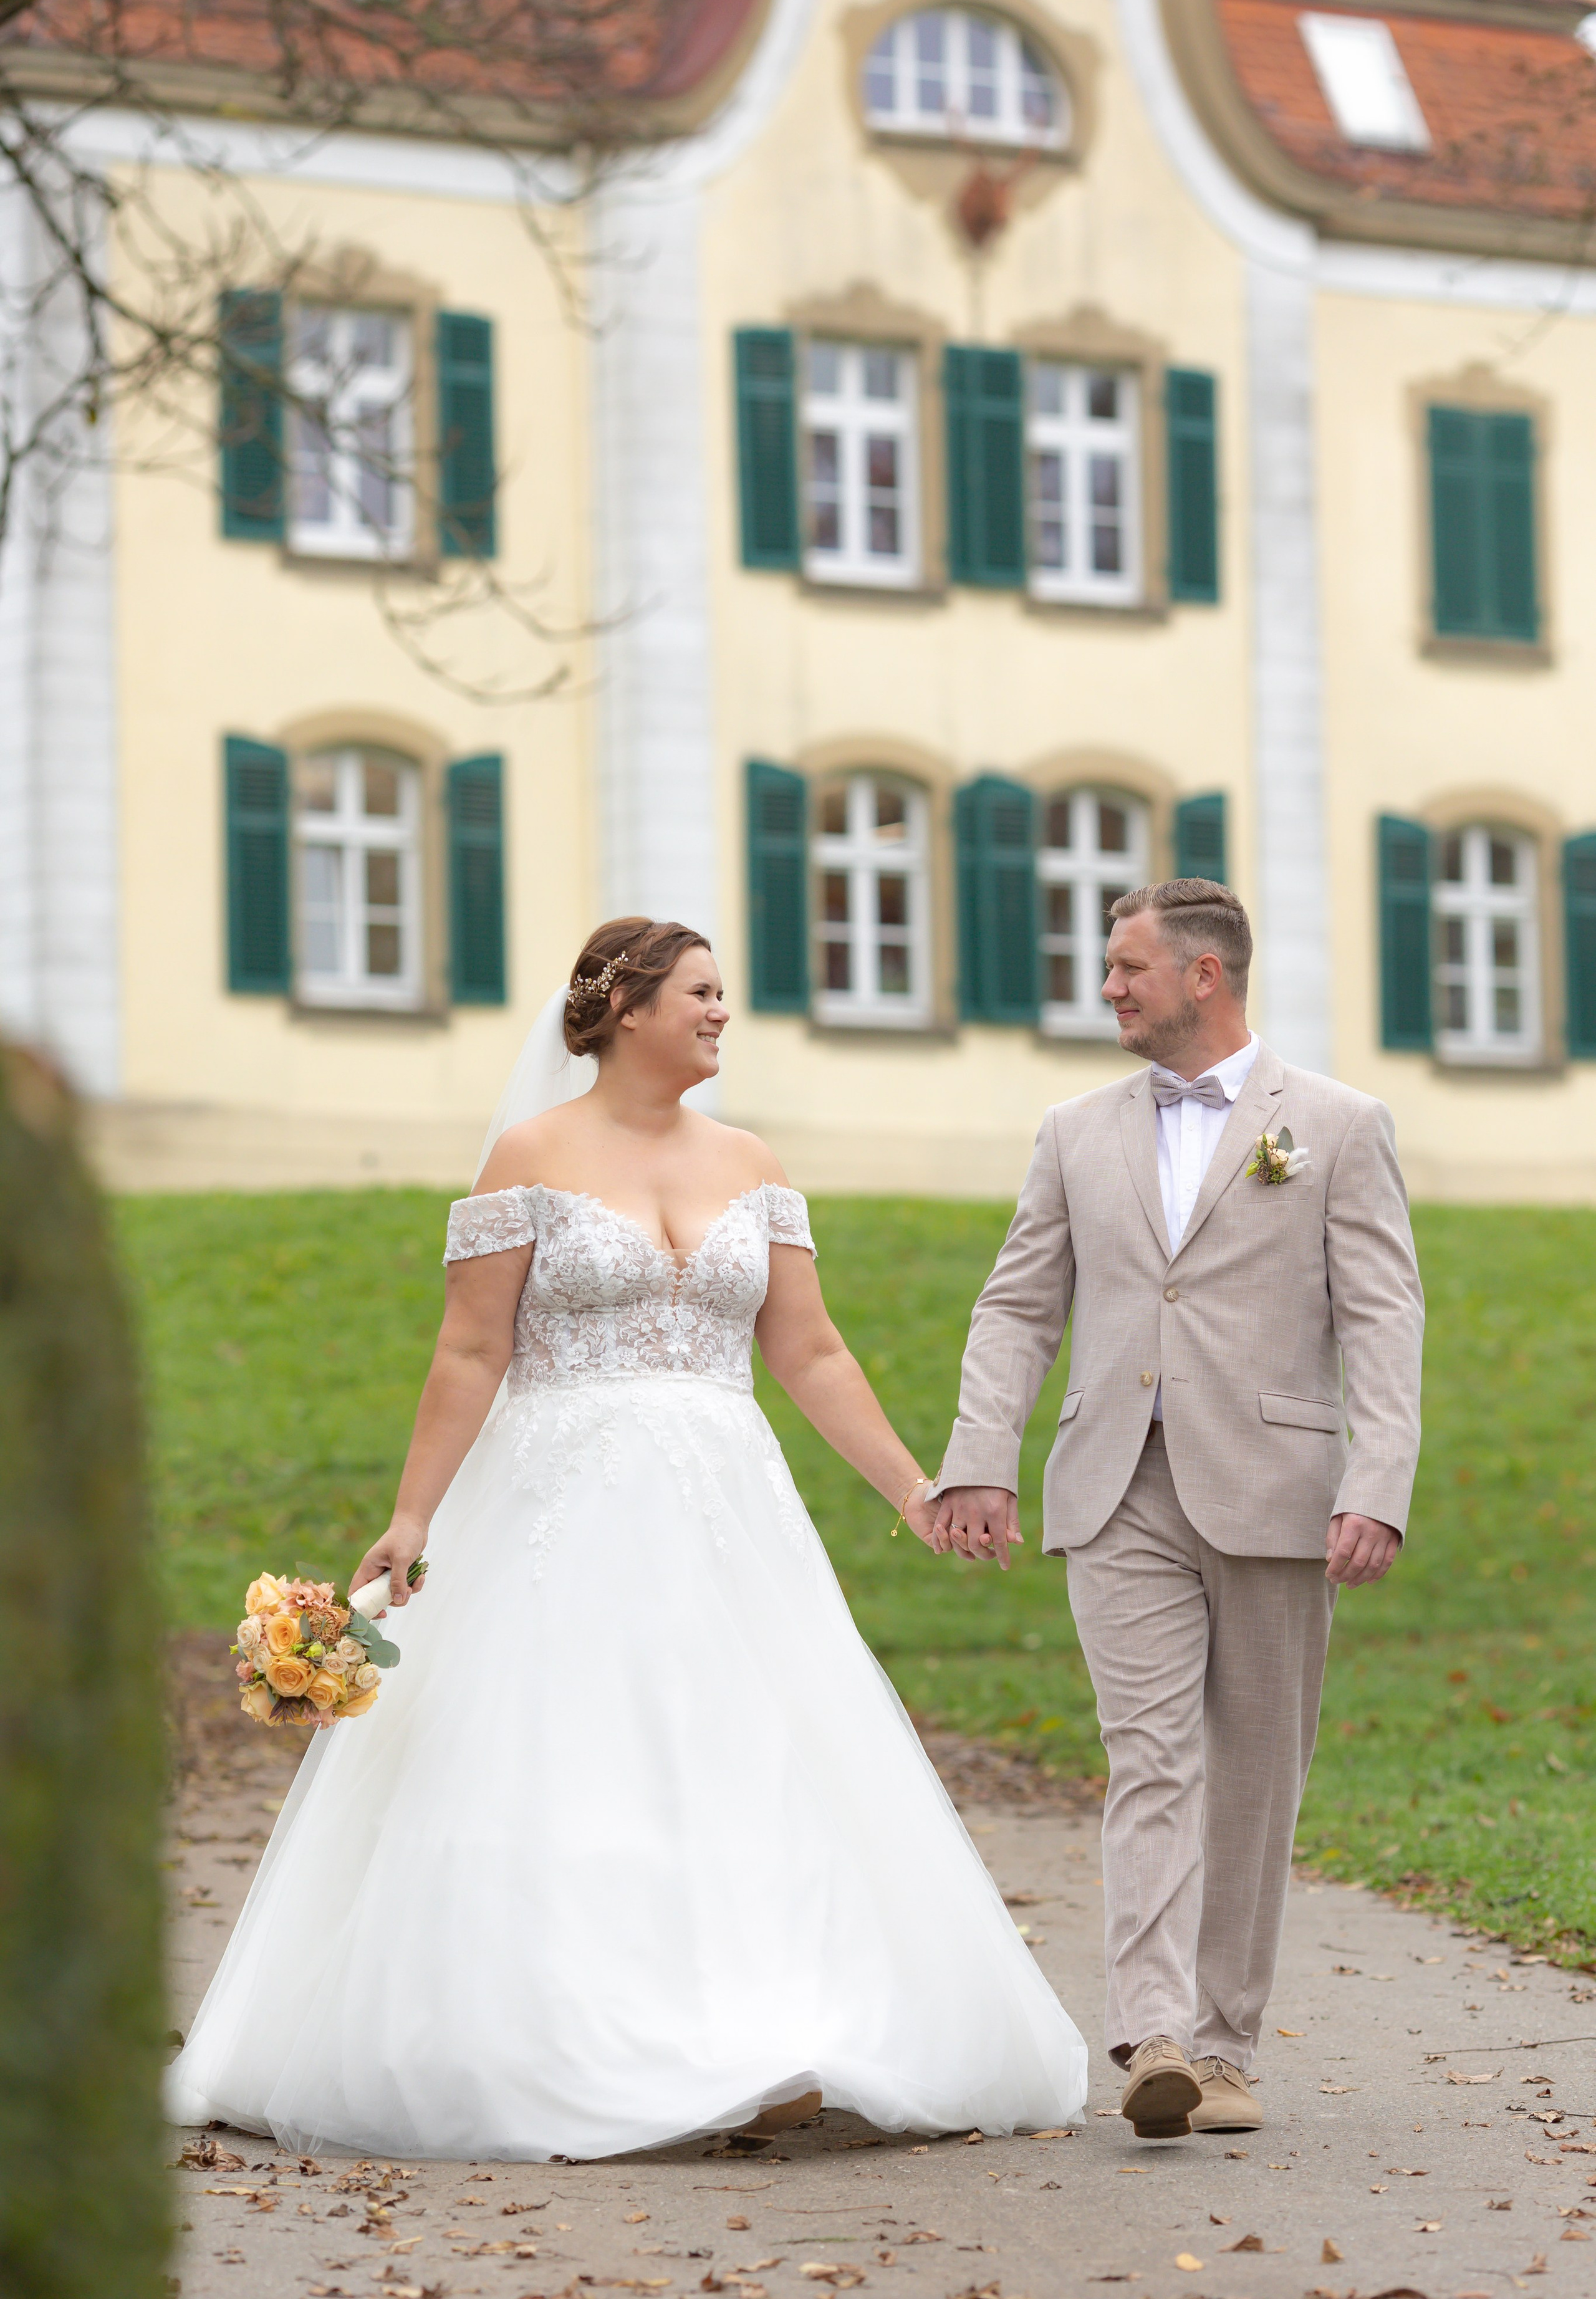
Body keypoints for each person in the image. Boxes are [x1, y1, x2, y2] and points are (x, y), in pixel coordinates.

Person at [168, 917, 1088, 2160]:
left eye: (721, 995)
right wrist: (412, 1513)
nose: (721, 1014)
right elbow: (472, 1348)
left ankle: (772, 2026)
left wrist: (912, 1485)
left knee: (744, 1749)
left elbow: (807, 1349)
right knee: (569, 1748)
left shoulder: (752, 1161)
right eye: (702, 993)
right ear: (626, 1006)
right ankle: (554, 2033)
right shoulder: (528, 1157)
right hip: (559, 1500)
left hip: (722, 1502)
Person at [932, 880, 1423, 2141]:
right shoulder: (1071, 1131)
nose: (1106, 987)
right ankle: (1150, 2033)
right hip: (1111, 1488)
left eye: (1125, 967)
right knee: (1148, 1756)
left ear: (1202, 976)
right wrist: (977, 1454)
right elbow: (1015, 1306)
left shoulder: (1335, 1124)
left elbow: (1379, 1316)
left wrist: (1375, 1483)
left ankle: (1224, 2048)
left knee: (1255, 1776)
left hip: (1274, 1493)